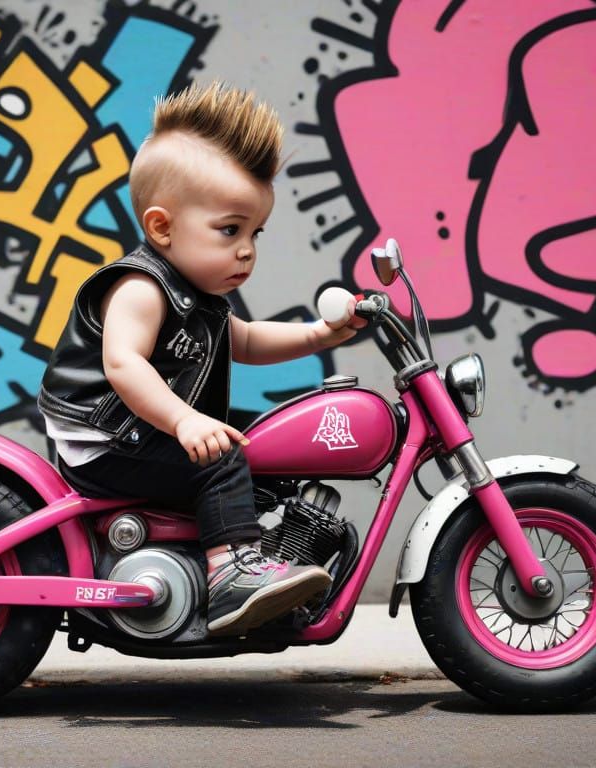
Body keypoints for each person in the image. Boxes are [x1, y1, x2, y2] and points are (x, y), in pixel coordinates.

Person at [37, 81, 361, 637]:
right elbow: (124, 365)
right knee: (221, 457)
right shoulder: (140, 287)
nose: (246, 250)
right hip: (105, 440)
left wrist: (318, 336)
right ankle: (233, 574)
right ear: (162, 226)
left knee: (255, 436)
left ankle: (241, 546)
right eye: (230, 230)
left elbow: (248, 340)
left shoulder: (202, 300)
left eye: (255, 233)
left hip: (139, 431)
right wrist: (184, 418)